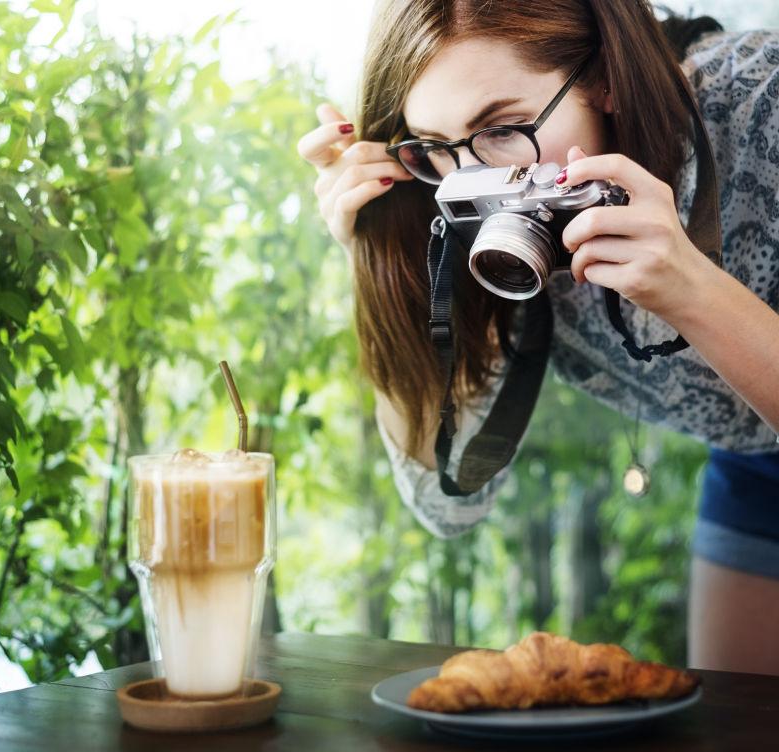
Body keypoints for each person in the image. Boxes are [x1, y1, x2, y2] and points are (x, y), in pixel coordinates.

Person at [297, 0, 779, 675]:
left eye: (502, 129)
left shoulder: (761, 102)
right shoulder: (447, 198)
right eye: (435, 146)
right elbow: (448, 505)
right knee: (746, 741)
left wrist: (691, 289)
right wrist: (385, 256)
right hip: (750, 461)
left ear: (604, 74)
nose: (475, 180)